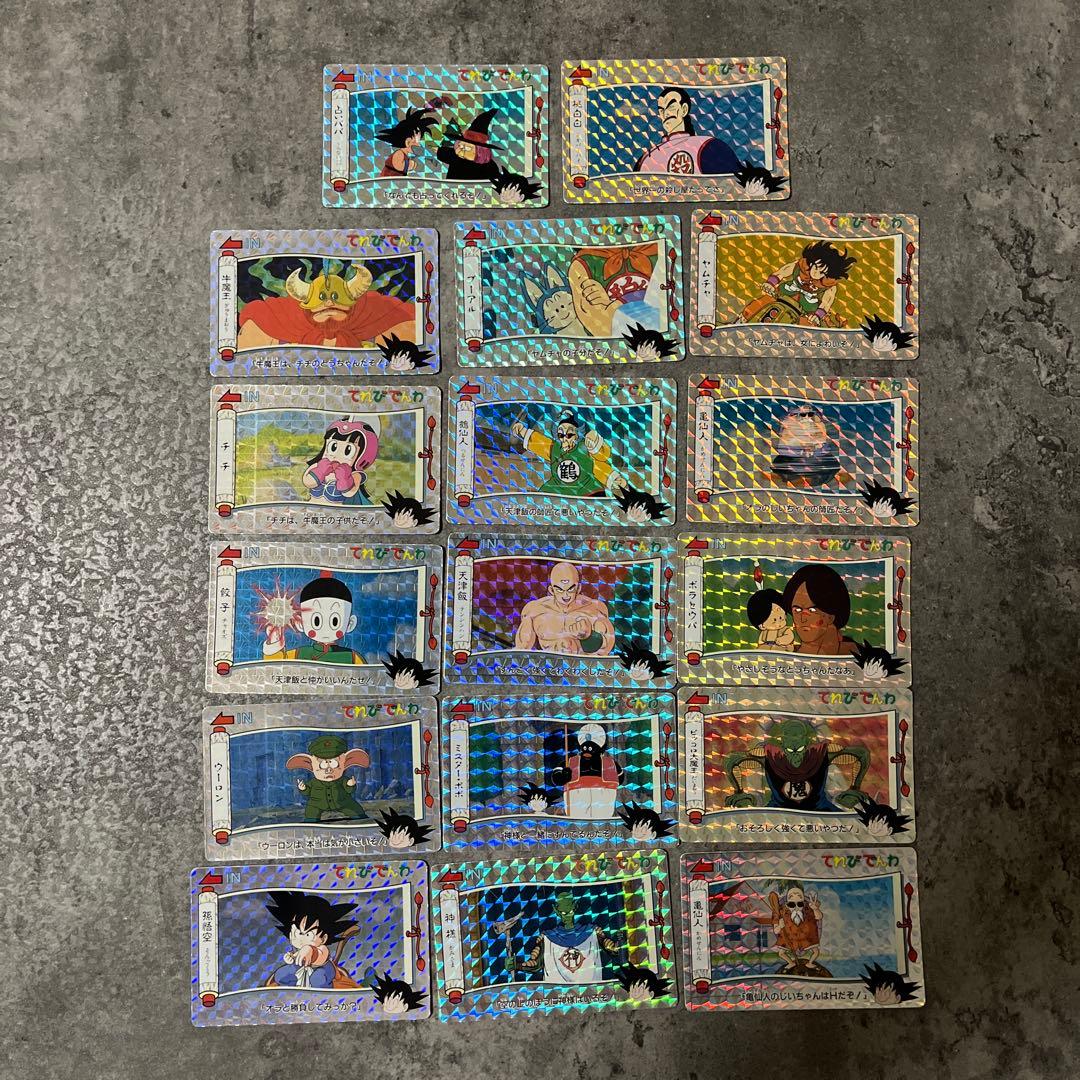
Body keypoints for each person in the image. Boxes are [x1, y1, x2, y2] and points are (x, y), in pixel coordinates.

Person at [508, 891, 621, 983]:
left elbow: (610, 947)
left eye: (570, 911)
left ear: (575, 907)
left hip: (590, 993)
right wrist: (516, 965)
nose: (567, 916)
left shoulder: (591, 931)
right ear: (557, 911)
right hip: (558, 996)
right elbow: (535, 965)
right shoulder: (547, 937)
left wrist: (617, 946)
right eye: (563, 913)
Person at [511, 411, 628, 498]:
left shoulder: (584, 449)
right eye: (561, 435)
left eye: (569, 435)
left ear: (577, 435)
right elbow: (540, 443)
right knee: (543, 498)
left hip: (586, 488)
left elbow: (599, 466)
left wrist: (614, 479)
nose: (565, 438)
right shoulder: (555, 448)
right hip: (558, 487)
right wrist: (522, 431)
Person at [739, 241, 857, 327]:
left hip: (804, 312)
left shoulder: (829, 286)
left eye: (822, 272)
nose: (816, 273)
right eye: (815, 267)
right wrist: (770, 284)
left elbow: (826, 303)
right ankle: (740, 322)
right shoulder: (800, 266)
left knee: (807, 328)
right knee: (759, 304)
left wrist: (817, 316)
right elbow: (782, 272)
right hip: (781, 297)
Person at [262, 571, 366, 664]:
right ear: (300, 623)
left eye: (335, 621)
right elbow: (276, 666)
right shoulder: (299, 654)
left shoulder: (352, 658)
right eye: (317, 621)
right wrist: (274, 642)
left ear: (350, 624)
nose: (325, 629)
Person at [635, 86, 741, 175]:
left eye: (671, 107)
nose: (666, 113)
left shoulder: (708, 146)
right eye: (661, 110)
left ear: (684, 109)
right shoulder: (646, 158)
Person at [514, 562, 616, 655]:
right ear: (551, 590)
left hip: (581, 666)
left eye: (570, 589)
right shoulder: (535, 611)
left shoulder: (594, 609)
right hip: (550, 666)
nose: (565, 595)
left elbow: (605, 650)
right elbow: (521, 650)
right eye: (559, 590)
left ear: (578, 588)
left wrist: (589, 636)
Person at [264, 891, 359, 989]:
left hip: (322, 969)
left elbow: (320, 956)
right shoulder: (297, 946)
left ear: (323, 938)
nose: (301, 938)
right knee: (280, 975)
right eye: (297, 933)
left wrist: (310, 950)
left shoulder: (322, 949)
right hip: (300, 968)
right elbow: (295, 956)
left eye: (308, 934)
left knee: (317, 980)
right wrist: (290, 958)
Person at [550, 723, 625, 819]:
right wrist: (562, 776)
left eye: (591, 748)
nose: (587, 751)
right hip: (576, 805)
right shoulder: (570, 762)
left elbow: (620, 778)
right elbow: (556, 776)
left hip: (603, 806)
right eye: (585, 748)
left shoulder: (611, 763)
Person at [780, 565, 859, 656]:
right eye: (797, 610)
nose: (803, 619)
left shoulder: (857, 654)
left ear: (830, 616)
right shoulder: (785, 653)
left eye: (812, 610)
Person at [303, 418, 379, 505]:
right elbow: (307, 482)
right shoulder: (318, 465)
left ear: (362, 456)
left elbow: (349, 493)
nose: (336, 456)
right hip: (312, 507)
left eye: (348, 451)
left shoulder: (355, 475)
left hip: (337, 511)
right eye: (333, 447)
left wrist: (344, 479)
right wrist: (319, 471)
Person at [436, 108, 502, 181]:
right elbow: (441, 152)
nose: (461, 150)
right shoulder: (454, 156)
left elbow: (498, 181)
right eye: (460, 146)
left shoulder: (489, 166)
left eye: (467, 148)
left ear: (480, 151)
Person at [376, 106, 437, 177]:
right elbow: (400, 166)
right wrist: (412, 164)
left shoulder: (404, 154)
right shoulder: (399, 154)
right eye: (417, 141)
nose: (419, 144)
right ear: (407, 142)